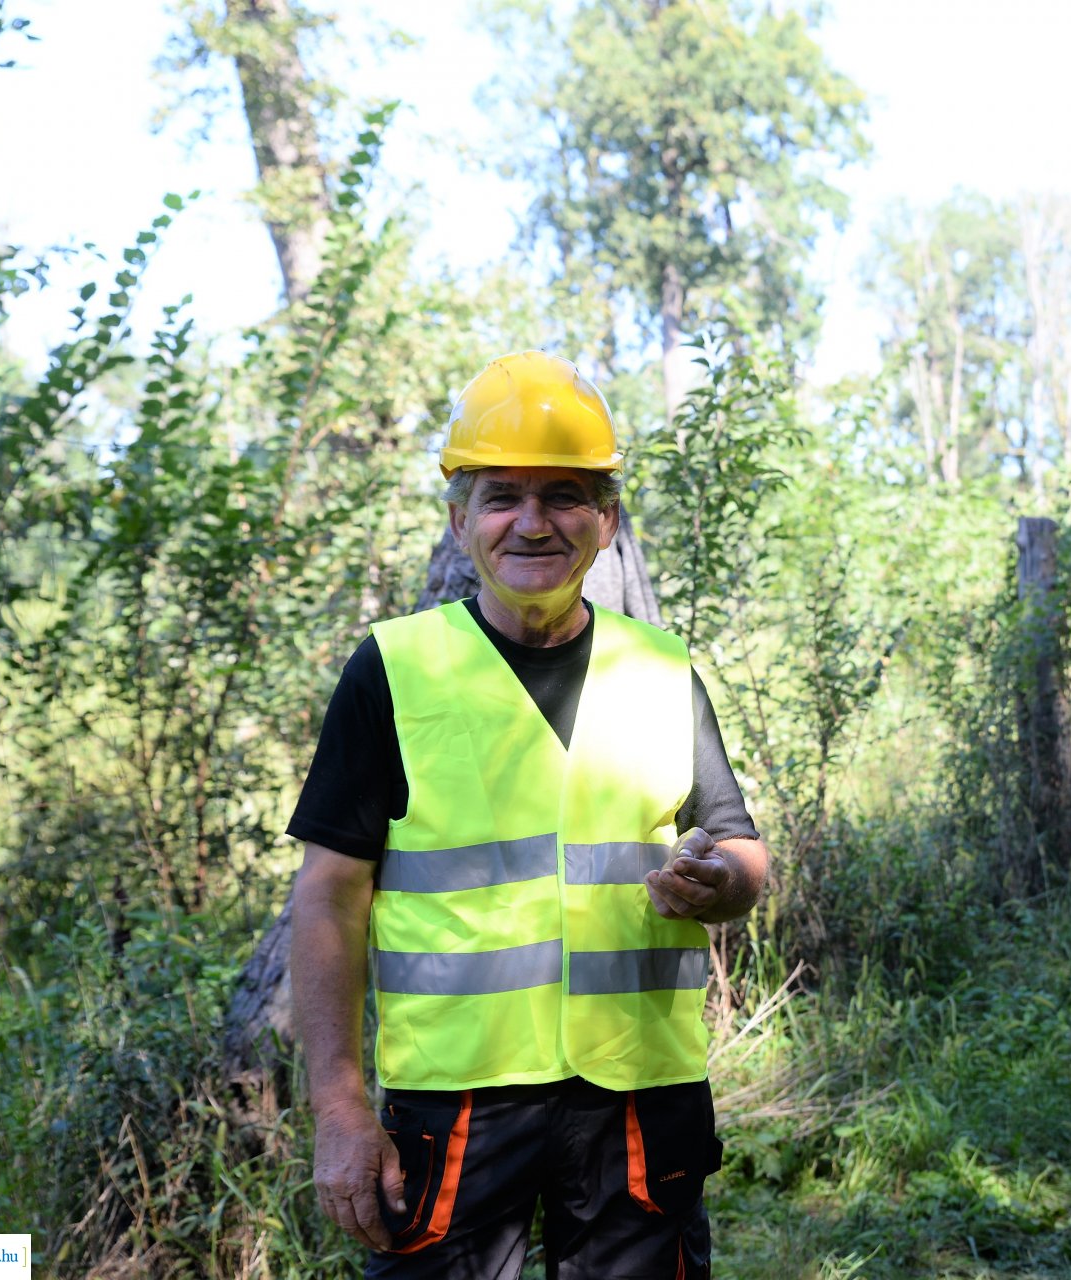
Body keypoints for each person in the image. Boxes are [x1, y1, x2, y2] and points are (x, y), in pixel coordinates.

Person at [287, 351, 768, 1279]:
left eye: (565, 495)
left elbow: (743, 850)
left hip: (638, 1096)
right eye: (503, 495)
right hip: (454, 1107)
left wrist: (725, 884)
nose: (534, 522)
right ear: (460, 519)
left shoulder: (662, 668)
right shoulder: (393, 670)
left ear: (607, 522)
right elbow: (329, 901)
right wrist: (340, 1108)